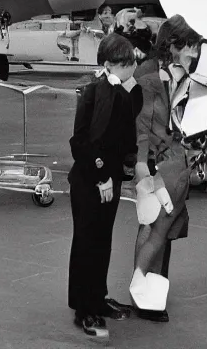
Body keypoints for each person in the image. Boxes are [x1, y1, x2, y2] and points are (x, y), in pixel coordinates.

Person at [129, 15, 203, 323]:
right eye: (191, 46)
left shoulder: (188, 74)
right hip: (157, 162)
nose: (195, 53)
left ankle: (150, 291)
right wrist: (141, 167)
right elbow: (140, 125)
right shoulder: (147, 74)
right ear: (174, 44)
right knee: (154, 225)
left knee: (159, 227)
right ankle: (141, 289)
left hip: (175, 159)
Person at [67, 34, 140, 337]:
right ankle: (84, 308)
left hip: (107, 178)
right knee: (87, 243)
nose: (130, 69)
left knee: (101, 242)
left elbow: (123, 138)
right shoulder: (96, 92)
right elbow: (84, 141)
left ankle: (97, 296)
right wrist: (101, 177)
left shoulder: (119, 93)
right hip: (92, 180)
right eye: (125, 65)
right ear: (110, 64)